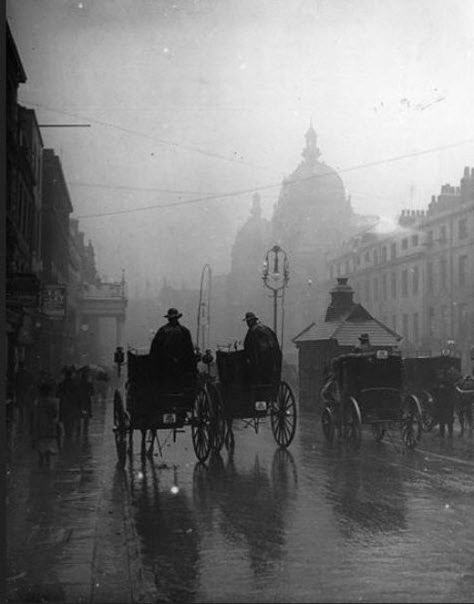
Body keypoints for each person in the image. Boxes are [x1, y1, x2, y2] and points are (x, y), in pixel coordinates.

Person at [149, 308, 197, 390]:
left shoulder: (162, 331)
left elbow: (155, 350)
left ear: (168, 319)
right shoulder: (184, 331)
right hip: (182, 367)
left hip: (164, 367)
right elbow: (189, 351)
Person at [242, 311, 282, 387]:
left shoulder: (252, 332)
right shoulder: (267, 329)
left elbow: (247, 347)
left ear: (250, 322)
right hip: (272, 364)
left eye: (248, 322)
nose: (247, 324)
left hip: (259, 365)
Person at [32, 379, 60, 467]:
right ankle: (47, 460)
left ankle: (41, 459)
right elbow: (55, 413)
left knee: (40, 442)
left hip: (39, 424)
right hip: (49, 425)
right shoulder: (52, 402)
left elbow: (34, 414)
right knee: (48, 442)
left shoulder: (37, 402)